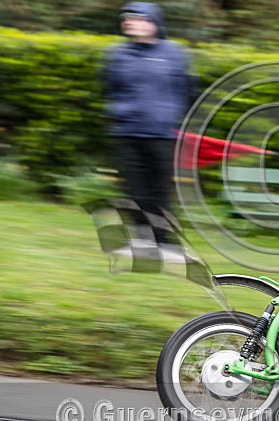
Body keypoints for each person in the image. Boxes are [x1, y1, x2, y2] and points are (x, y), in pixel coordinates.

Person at [101, 2, 194, 243]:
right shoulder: (117, 54)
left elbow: (186, 89)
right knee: (135, 191)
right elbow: (109, 88)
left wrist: (173, 116)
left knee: (160, 192)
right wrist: (119, 111)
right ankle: (143, 240)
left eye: (135, 17)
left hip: (163, 135)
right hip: (128, 134)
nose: (128, 22)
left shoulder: (174, 53)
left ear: (153, 22)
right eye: (126, 18)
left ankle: (163, 241)